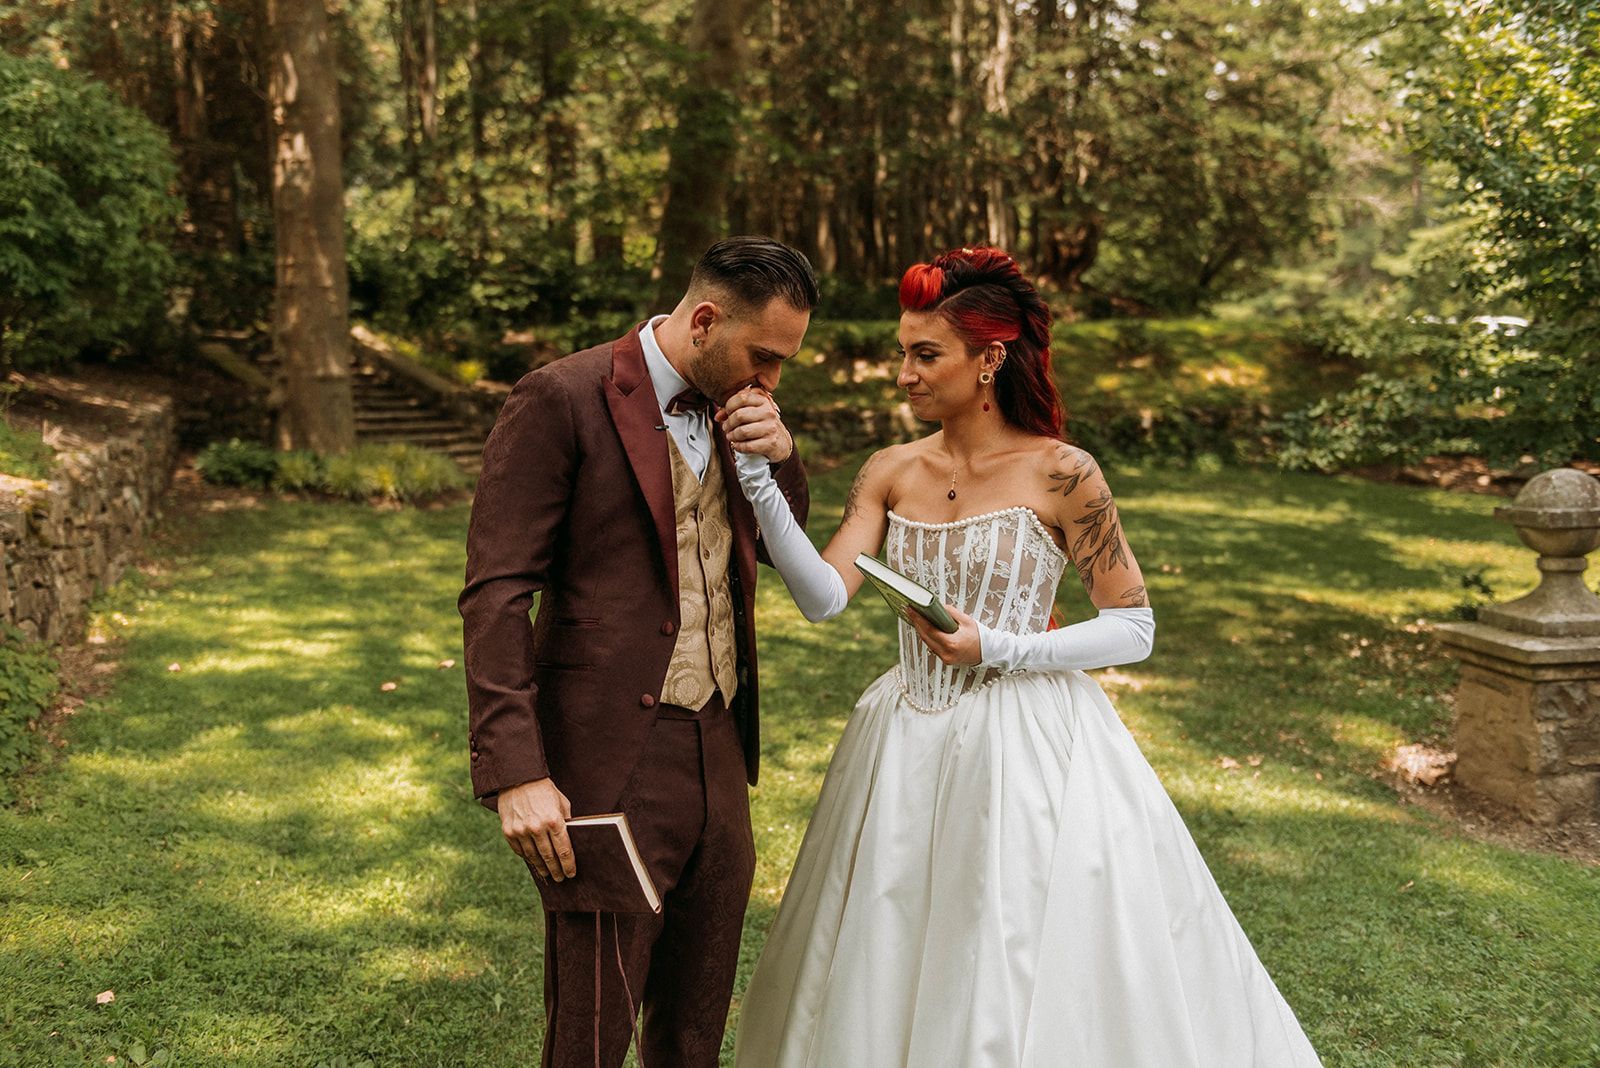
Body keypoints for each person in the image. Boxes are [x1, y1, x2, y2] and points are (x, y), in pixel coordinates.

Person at [726, 246, 1322, 1066]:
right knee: (886, 936)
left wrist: (998, 646)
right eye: (903, 351)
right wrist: (763, 478)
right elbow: (824, 597)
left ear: (989, 360)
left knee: (1004, 940)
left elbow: (1133, 625)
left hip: (1026, 743)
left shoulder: (1063, 472)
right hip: (900, 739)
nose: (902, 372)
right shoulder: (890, 471)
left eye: (924, 353)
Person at [458, 236, 818, 1068]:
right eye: (764, 358)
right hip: (605, 758)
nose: (771, 381)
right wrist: (517, 770)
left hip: (719, 748)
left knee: (695, 1024)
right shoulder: (561, 396)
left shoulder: (742, 406)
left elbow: (775, 540)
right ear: (702, 319)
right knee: (592, 1028)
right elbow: (497, 594)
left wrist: (780, 454)